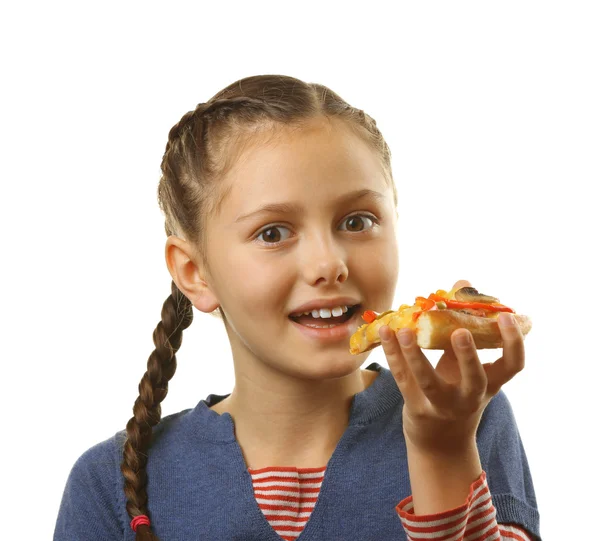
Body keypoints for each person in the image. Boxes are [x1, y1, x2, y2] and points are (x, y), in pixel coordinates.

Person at [54, 74, 541, 541]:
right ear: (193, 273)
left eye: (356, 220)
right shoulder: (110, 484)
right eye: (273, 233)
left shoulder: (469, 417)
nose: (329, 265)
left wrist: (444, 454)